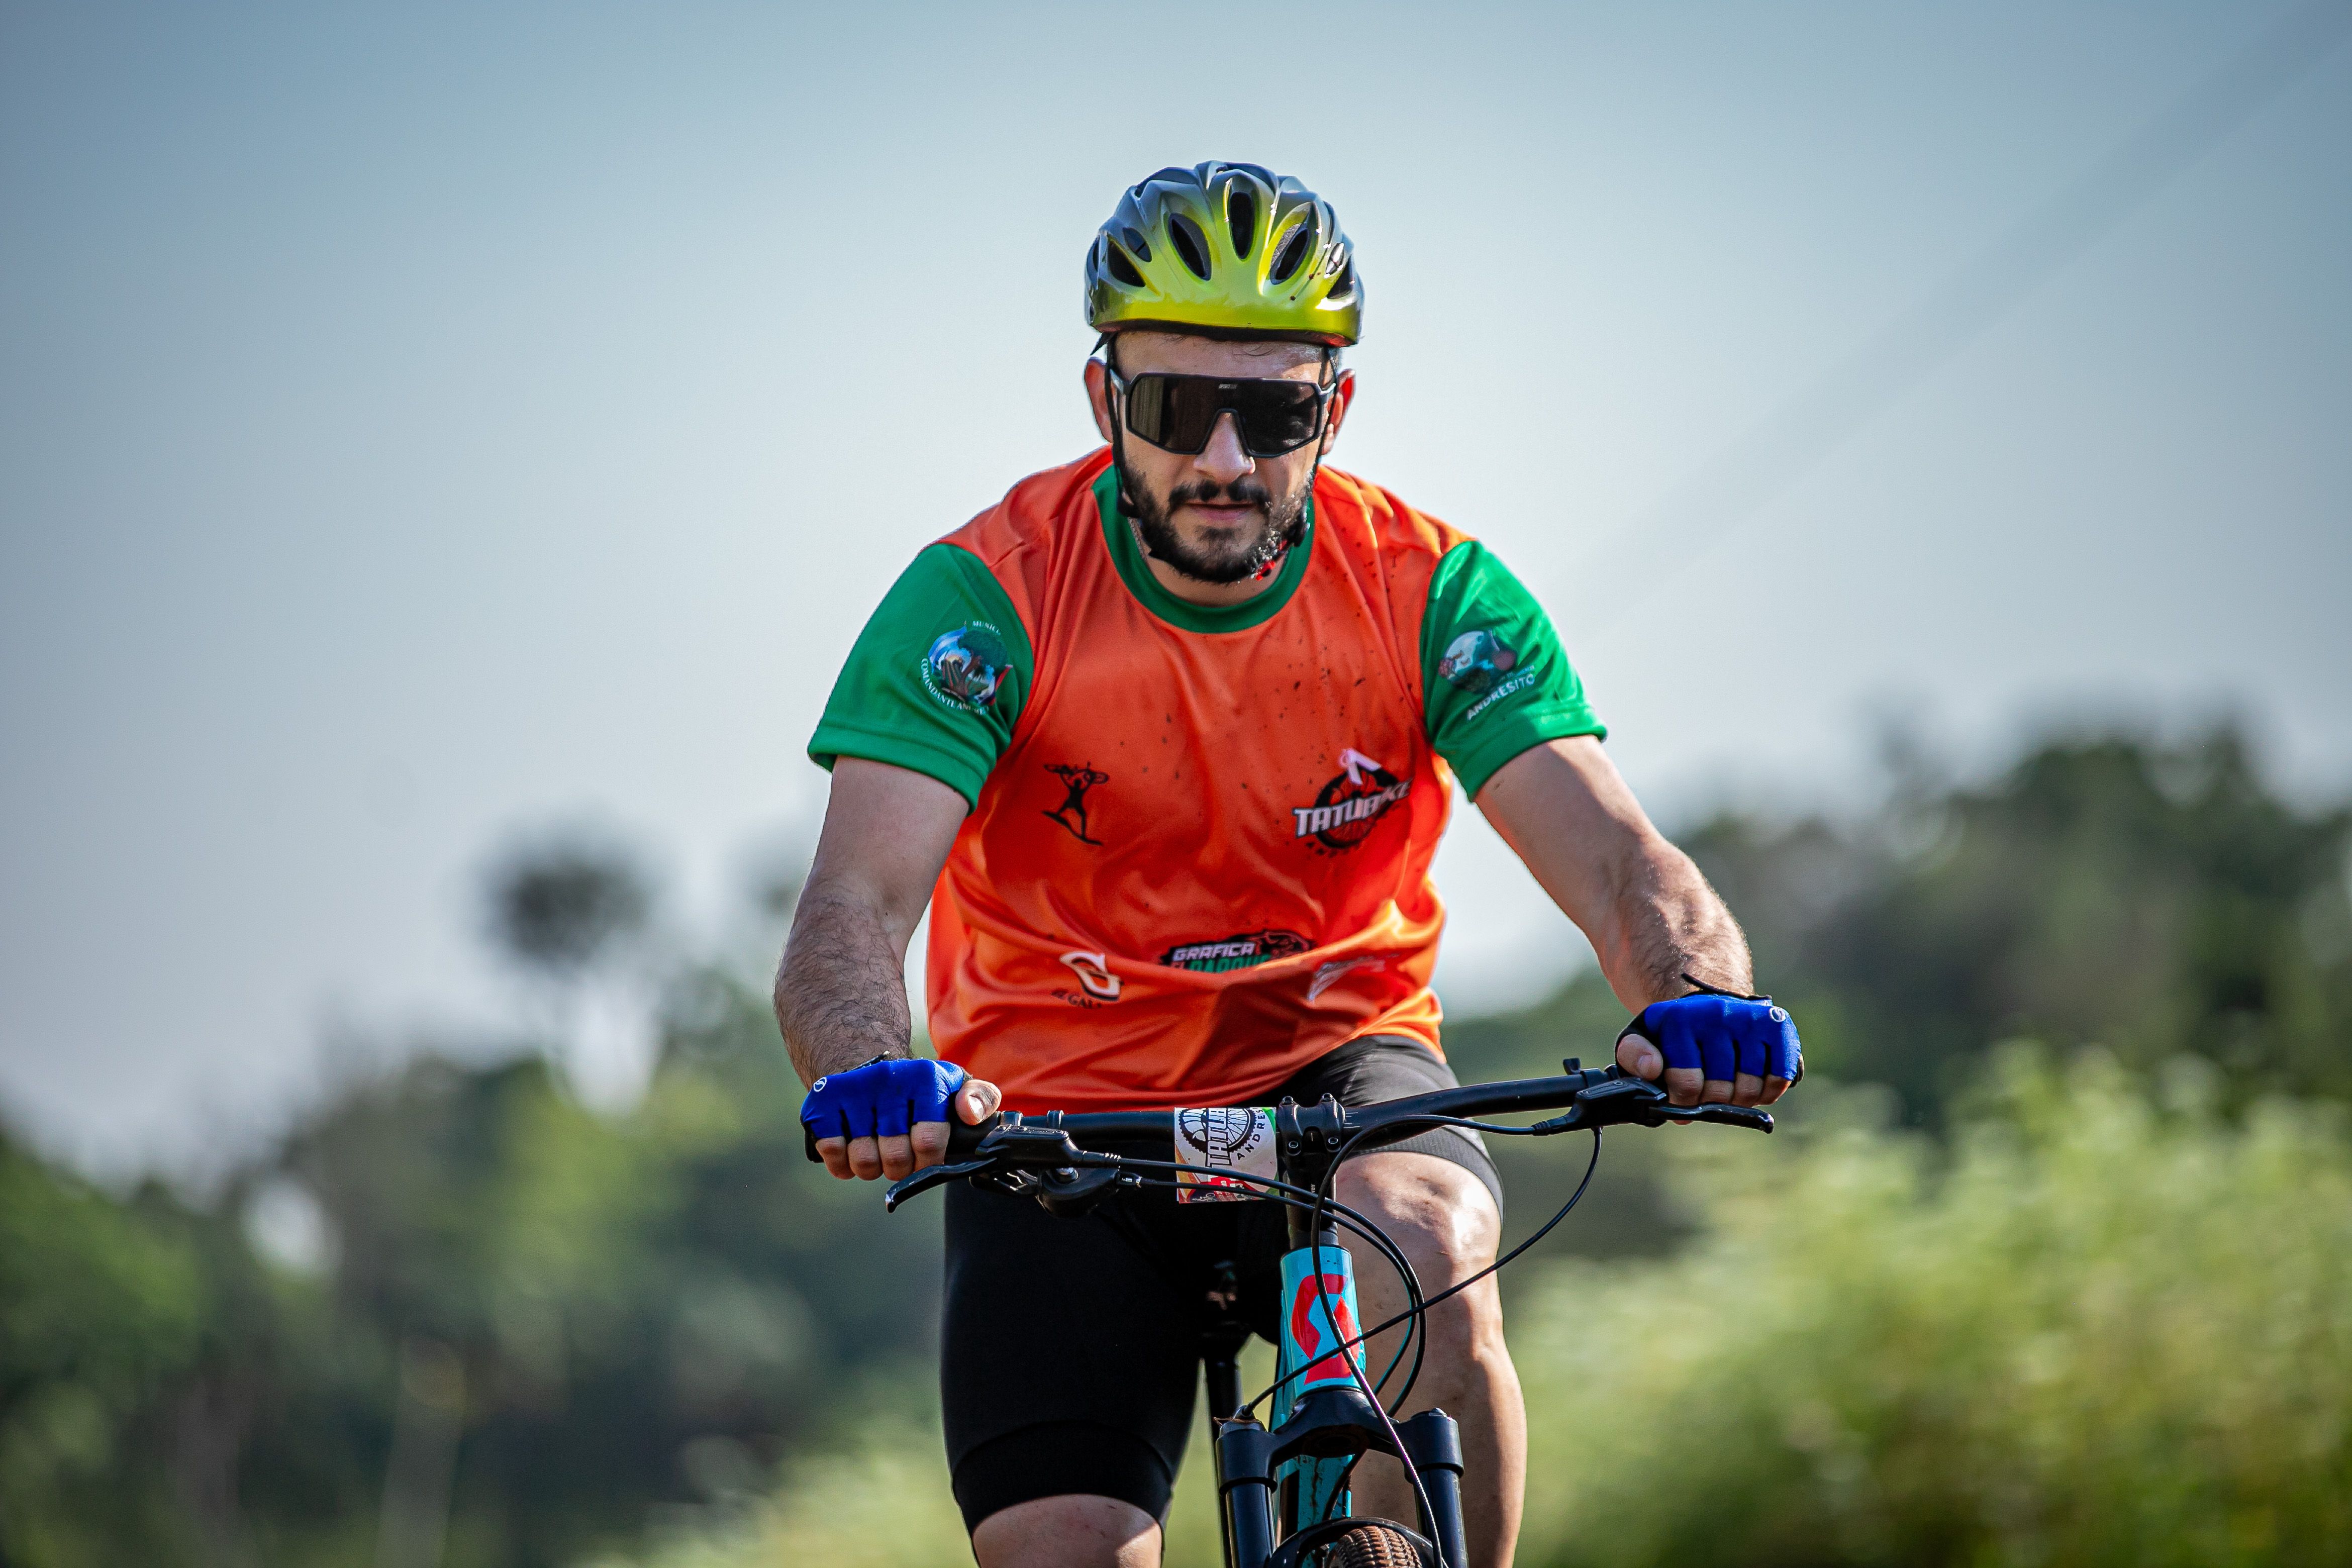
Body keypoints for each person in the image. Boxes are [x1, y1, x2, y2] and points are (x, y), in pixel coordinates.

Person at [777, 162, 1800, 1568]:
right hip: (1056, 1109)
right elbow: (852, 905)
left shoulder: (1433, 592)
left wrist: (1699, 994)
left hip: (1338, 1061)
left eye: (1271, 414)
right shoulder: (982, 599)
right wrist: (862, 1069)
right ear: (1104, 402)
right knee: (1064, 1545)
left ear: (1337, 409)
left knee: (1430, 1241)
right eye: (1173, 407)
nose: (1223, 460)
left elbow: (1624, 862)